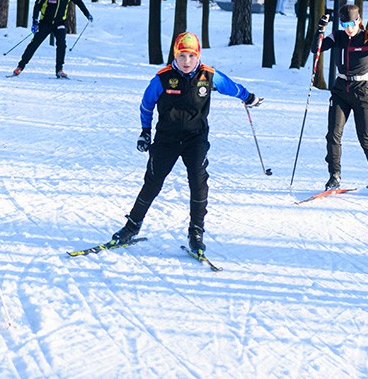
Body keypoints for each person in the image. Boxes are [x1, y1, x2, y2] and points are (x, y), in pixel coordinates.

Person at [110, 32, 264, 257]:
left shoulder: (208, 76)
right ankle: (131, 226)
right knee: (153, 182)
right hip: (166, 139)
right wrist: (145, 132)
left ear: (198, 55)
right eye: (182, 55)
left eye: (191, 56)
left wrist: (248, 97)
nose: (186, 61)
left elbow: (232, 87)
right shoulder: (162, 78)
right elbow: (146, 105)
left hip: (195, 139)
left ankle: (196, 232)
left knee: (198, 180)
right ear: (175, 55)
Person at [313, 4, 368, 193]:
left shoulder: (367, 37)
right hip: (341, 89)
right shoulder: (338, 36)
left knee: (365, 137)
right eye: (344, 23)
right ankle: (334, 176)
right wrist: (320, 30)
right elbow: (315, 50)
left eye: (351, 23)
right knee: (333, 135)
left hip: (362, 91)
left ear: (358, 20)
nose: (348, 28)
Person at [12, 0, 93, 79]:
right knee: (34, 43)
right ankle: (20, 67)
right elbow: (37, 6)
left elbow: (78, 2)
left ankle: (59, 70)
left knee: (61, 44)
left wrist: (87, 14)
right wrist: (35, 21)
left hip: (60, 23)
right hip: (45, 23)